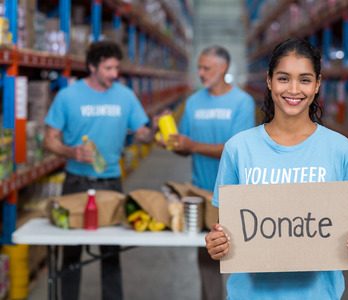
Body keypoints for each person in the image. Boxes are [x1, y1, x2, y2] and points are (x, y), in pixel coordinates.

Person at [205, 38, 348, 299]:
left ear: (317, 84)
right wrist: (216, 244)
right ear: (269, 81)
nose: (294, 89)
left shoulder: (341, 150)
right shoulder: (239, 148)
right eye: (284, 78)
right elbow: (223, 228)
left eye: (305, 80)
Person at [44, 41, 154, 300]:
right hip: (76, 182)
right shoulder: (68, 96)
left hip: (111, 183)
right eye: (108, 68)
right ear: (92, 67)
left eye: (116, 68)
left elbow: (142, 135)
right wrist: (72, 152)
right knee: (71, 252)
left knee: (111, 253)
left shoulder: (125, 96)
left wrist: (155, 129)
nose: (114, 74)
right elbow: (49, 140)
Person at [163, 45, 255, 300]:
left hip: (236, 195)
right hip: (203, 192)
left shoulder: (242, 102)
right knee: (208, 259)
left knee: (241, 260)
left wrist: (192, 145)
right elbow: (184, 148)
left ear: (223, 68)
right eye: (199, 68)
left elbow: (236, 150)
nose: (201, 73)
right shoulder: (193, 103)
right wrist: (175, 144)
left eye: (207, 68)